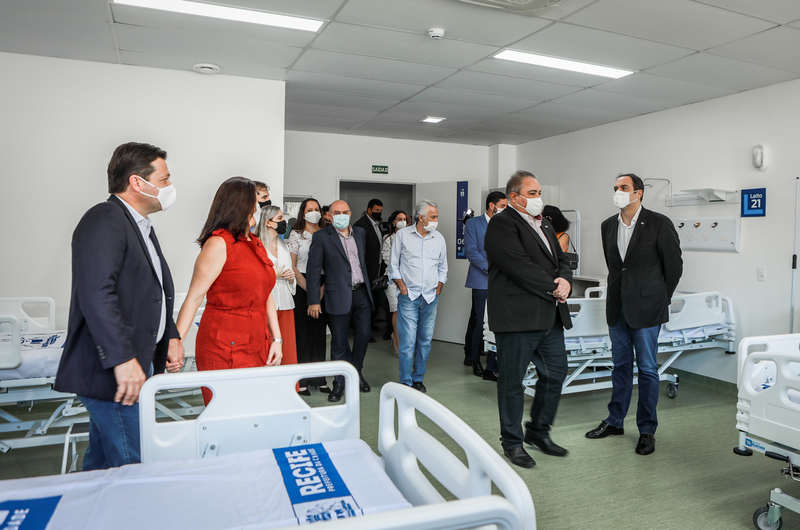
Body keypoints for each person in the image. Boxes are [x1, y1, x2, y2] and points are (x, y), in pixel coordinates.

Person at [54, 142, 184, 470]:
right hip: (115, 369)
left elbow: (153, 291)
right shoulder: (104, 219)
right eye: (164, 179)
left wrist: (170, 334)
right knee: (133, 464)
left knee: (101, 461)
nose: (170, 186)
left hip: (135, 361)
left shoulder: (139, 225)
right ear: (137, 182)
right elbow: (97, 293)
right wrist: (122, 359)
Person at [585, 173, 683, 456]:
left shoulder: (659, 223)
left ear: (638, 193)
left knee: (648, 369)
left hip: (648, 309)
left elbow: (674, 267)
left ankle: (647, 430)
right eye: (615, 187)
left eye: (623, 187)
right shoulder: (608, 226)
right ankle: (615, 421)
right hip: (617, 308)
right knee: (620, 366)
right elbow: (616, 268)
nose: (618, 191)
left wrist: (660, 299)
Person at [485, 170, 573, 469]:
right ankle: (512, 442)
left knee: (556, 373)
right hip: (517, 317)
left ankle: (538, 431)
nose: (538, 198)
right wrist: (554, 286)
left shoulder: (544, 223)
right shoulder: (502, 224)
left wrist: (565, 279)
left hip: (549, 316)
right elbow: (517, 265)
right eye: (532, 193)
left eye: (539, 193)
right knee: (512, 382)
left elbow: (562, 259)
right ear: (514, 197)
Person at [176, 177, 283, 405]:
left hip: (257, 342)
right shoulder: (218, 244)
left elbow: (265, 295)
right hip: (224, 346)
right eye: (255, 199)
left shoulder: (254, 243)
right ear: (241, 204)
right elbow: (194, 297)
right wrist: (176, 342)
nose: (260, 205)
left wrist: (277, 338)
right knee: (228, 412)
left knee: (256, 412)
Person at [306, 200, 373, 402]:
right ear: (329, 215)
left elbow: (364, 262)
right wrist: (313, 300)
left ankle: (356, 372)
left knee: (364, 335)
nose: (341, 215)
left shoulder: (360, 233)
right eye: (336, 213)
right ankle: (339, 382)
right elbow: (313, 270)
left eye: (345, 212)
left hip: (361, 293)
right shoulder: (321, 237)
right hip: (337, 295)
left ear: (350, 213)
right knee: (339, 342)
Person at [389, 200, 448, 393]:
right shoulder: (403, 235)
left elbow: (443, 267)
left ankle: (418, 378)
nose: (436, 220)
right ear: (421, 218)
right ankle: (406, 381)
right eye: (433, 217)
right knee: (407, 342)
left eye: (437, 216)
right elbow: (393, 264)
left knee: (425, 341)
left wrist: (439, 286)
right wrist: (402, 287)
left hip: (431, 297)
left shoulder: (439, 238)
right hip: (409, 296)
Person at [287, 198, 330, 394]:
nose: (314, 212)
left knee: (319, 333)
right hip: (302, 284)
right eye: (309, 209)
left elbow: (331, 264)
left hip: (322, 284)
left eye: (316, 209)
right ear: (303, 213)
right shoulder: (296, 234)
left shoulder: (326, 233)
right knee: (302, 334)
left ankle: (319, 378)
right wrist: (310, 289)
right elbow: (293, 266)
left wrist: (321, 289)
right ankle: (302, 380)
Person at [463, 191, 507, 381]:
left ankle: (488, 358)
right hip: (481, 278)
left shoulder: (505, 224)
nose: (505, 209)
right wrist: (490, 269)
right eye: (503, 206)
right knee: (479, 319)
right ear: (491, 205)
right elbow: (472, 252)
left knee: (492, 320)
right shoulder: (474, 224)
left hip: (501, 280)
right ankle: (474, 359)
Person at [257, 205, 298, 379]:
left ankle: (288, 384)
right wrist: (275, 274)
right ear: (268, 222)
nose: (284, 222)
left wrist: (291, 278)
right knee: (266, 346)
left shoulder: (283, 245)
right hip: (266, 303)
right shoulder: (257, 245)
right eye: (280, 218)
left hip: (285, 301)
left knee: (287, 346)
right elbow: (254, 274)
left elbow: (290, 272)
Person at [354, 198, 386, 340]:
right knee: (366, 303)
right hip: (367, 271)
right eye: (376, 210)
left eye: (380, 210)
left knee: (376, 302)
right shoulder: (360, 225)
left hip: (378, 270)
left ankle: (371, 328)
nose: (379, 213)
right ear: (369, 210)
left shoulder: (379, 225)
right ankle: (364, 332)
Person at [381, 210, 409, 354]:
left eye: (404, 219)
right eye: (399, 219)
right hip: (392, 280)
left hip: (409, 279)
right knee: (397, 310)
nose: (402, 222)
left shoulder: (411, 238)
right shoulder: (388, 239)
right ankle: (397, 340)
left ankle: (406, 341)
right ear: (393, 222)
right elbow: (388, 260)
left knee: (407, 311)